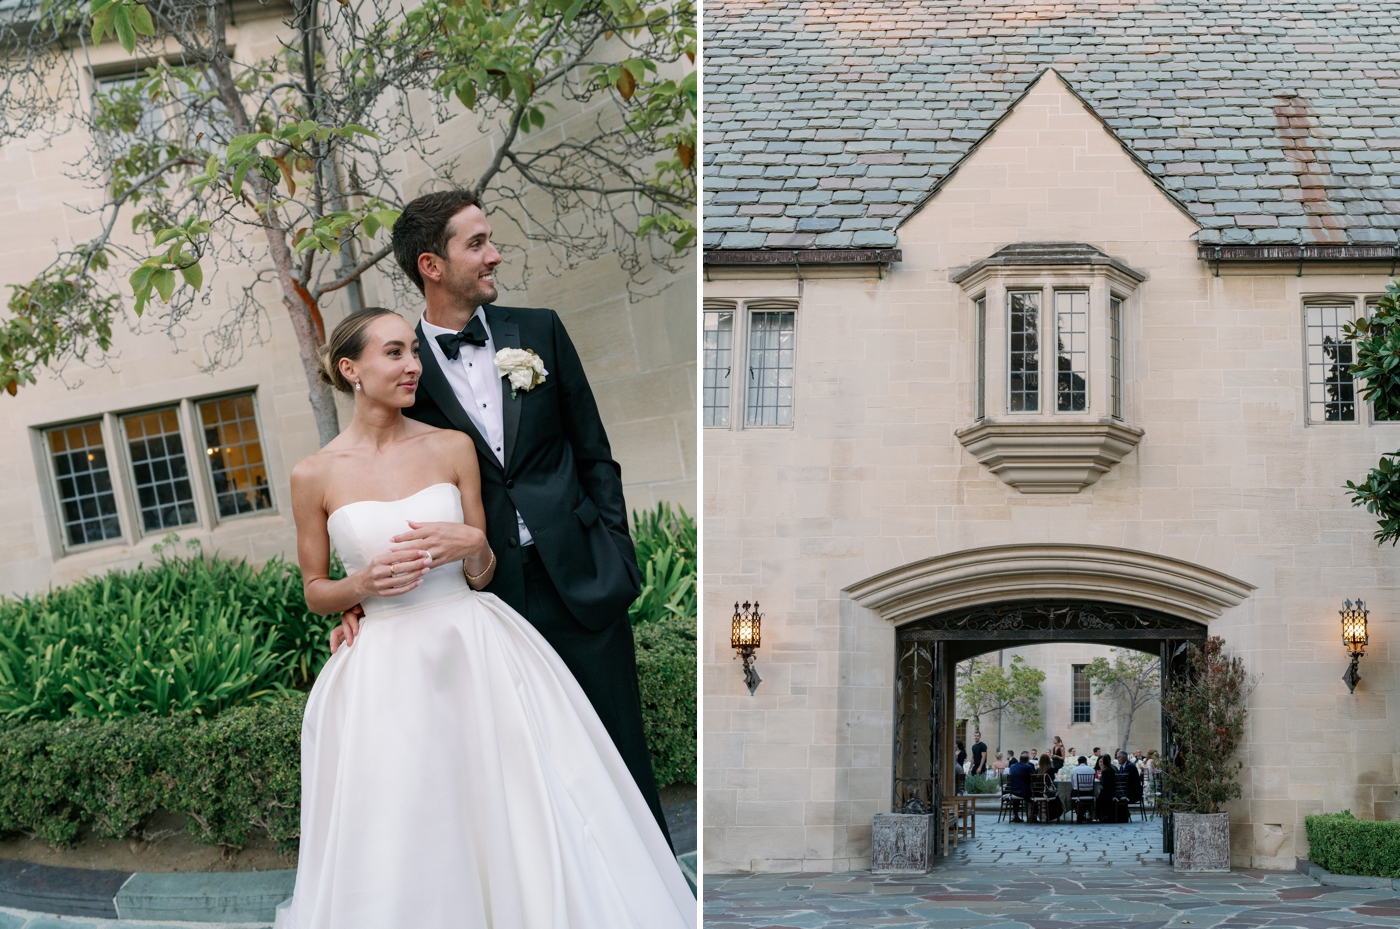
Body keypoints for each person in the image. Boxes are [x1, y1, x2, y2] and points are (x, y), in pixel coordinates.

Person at [289, 312, 696, 923]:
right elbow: (315, 589)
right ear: (350, 370)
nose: (411, 366)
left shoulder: (451, 447)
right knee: (414, 818)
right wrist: (360, 587)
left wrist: (475, 549)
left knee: (519, 805)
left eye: (412, 353)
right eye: (394, 353)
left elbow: (482, 568)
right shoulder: (312, 474)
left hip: (476, 642)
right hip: (387, 670)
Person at [333, 190, 672, 848]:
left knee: (623, 764)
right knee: (528, 782)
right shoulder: (403, 371)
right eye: (478, 244)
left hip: (584, 584)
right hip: (486, 602)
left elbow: (594, 453)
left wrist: (618, 558)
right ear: (432, 265)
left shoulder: (539, 330)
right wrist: (358, 594)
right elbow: (375, 476)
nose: (495, 255)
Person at [1006, 752, 1035, 823]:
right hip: (1020, 791)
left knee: (1017, 796)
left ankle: (1015, 815)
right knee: (1033, 796)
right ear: (1027, 761)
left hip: (1011, 790)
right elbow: (1034, 777)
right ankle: (1031, 816)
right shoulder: (1028, 767)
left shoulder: (1012, 766)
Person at [1094, 754, 1119, 824]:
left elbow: (1104, 783)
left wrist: (1101, 777)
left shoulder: (1105, 771)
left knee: (1097, 799)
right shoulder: (1112, 769)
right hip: (1112, 791)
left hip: (1107, 792)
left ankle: (1101, 816)